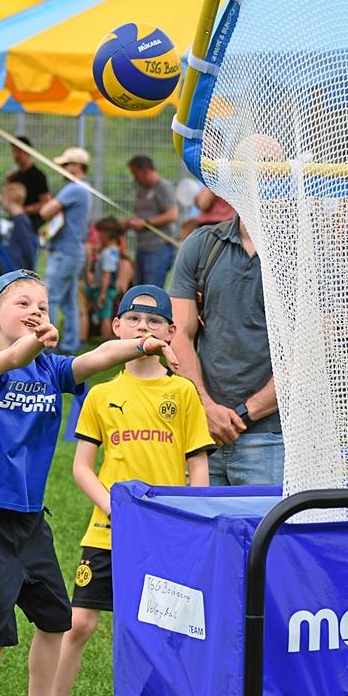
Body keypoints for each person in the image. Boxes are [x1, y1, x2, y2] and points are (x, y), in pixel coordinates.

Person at [0, 270, 179, 696]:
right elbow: (13, 356)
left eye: (43, 305)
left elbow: (98, 357)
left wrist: (142, 345)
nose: (36, 311)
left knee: (55, 620)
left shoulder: (53, 371)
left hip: (31, 521)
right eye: (24, 304)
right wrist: (37, 342)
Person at [51, 285, 213, 696]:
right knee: (79, 622)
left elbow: (197, 466)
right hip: (108, 528)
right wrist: (115, 509)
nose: (144, 328)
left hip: (165, 534)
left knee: (157, 628)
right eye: (135, 320)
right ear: (116, 327)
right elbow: (82, 467)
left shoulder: (181, 393)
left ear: (171, 331)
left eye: (155, 321)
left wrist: (192, 519)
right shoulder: (101, 394)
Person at [169, 216, 283, 486]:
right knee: (198, 529)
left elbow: (310, 358)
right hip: (201, 434)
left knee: (264, 529)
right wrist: (206, 409)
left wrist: (242, 415)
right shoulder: (203, 244)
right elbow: (178, 335)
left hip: (271, 437)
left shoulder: (303, 254)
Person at [38, 147, 93, 354]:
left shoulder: (74, 189)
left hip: (64, 252)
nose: (61, 169)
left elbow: (45, 212)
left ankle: (46, 345)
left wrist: (50, 203)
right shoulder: (85, 189)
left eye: (65, 165)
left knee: (50, 298)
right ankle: (69, 344)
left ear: (77, 166)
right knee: (69, 301)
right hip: (74, 251)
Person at [123, 155, 179, 287]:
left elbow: (172, 215)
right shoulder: (142, 189)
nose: (135, 178)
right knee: (139, 289)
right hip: (142, 247)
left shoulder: (163, 187)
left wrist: (145, 222)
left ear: (146, 171)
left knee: (151, 290)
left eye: (136, 174)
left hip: (158, 249)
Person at [83, 217, 125, 338]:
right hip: (108, 289)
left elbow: (106, 275)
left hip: (105, 290)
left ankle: (106, 339)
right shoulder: (114, 250)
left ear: (106, 234)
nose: (97, 236)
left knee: (105, 316)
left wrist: (102, 293)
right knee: (104, 314)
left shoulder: (108, 254)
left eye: (99, 233)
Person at [6, 136, 52, 234]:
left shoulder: (38, 176)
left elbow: (45, 202)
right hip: (17, 223)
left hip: (33, 224)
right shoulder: (15, 176)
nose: (16, 155)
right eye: (14, 151)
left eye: (19, 151)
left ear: (28, 152)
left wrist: (23, 210)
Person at [4, 182, 39, 272]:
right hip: (12, 268)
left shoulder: (21, 221)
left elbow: (28, 246)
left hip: (18, 270)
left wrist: (30, 269)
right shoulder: (15, 220)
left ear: (7, 199)